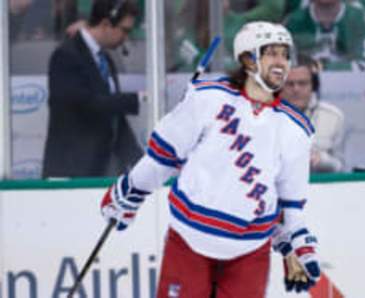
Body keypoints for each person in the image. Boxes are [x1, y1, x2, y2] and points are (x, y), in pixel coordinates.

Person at [100, 21, 321, 297]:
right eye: (271, 53)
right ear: (248, 59)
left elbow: (289, 201)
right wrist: (130, 191)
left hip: (250, 251)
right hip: (189, 238)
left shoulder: (295, 129)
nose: (281, 62)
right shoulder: (209, 98)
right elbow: (163, 157)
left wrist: (299, 245)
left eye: (285, 54)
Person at [42, 0, 145, 178]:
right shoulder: (66, 55)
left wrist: (143, 164)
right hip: (69, 174)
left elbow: (115, 120)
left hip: (100, 171)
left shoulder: (105, 60)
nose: (126, 38)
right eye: (125, 30)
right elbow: (85, 104)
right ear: (105, 24)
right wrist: (134, 100)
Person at [280, 55, 345, 172]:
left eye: (302, 83)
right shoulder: (264, 116)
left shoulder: (334, 116)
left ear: (314, 86)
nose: (296, 89)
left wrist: (322, 160)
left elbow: (340, 166)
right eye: (289, 84)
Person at [285, 0, 365, 71]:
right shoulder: (293, 22)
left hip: (352, 91)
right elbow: (286, 68)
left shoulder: (361, 20)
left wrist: (323, 67)